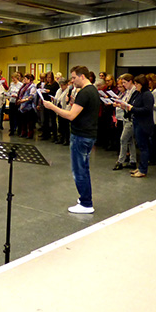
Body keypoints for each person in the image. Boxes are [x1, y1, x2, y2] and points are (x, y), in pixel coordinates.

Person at [42, 65, 100, 214]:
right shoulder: (92, 90)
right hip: (88, 134)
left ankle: (86, 203)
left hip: (81, 135)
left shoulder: (85, 93)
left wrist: (52, 107)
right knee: (84, 168)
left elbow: (70, 115)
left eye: (74, 77)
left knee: (79, 170)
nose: (72, 81)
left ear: (82, 76)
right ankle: (85, 198)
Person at [117, 74, 154, 178]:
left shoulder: (147, 94)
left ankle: (143, 169)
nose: (135, 85)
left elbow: (147, 109)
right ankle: (141, 167)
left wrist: (131, 109)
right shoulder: (138, 94)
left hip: (144, 124)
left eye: (137, 83)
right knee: (141, 146)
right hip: (137, 122)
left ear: (142, 84)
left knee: (144, 148)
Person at [113, 74, 137, 170]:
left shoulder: (134, 91)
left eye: (124, 83)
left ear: (130, 81)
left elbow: (130, 104)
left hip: (130, 118)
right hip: (125, 117)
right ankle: (133, 160)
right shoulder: (127, 92)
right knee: (130, 140)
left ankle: (120, 161)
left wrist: (121, 105)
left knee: (123, 139)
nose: (123, 85)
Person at [16, 73, 37, 139]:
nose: (24, 80)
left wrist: (24, 100)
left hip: (29, 107)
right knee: (23, 121)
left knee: (30, 122)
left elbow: (32, 96)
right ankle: (24, 132)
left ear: (29, 79)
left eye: (25, 79)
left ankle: (30, 134)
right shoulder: (24, 86)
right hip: (22, 107)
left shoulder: (32, 86)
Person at [7, 72, 23, 136]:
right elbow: (9, 92)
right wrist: (8, 95)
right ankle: (12, 130)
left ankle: (19, 131)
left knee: (18, 117)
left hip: (18, 102)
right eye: (12, 78)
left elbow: (21, 94)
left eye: (14, 78)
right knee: (11, 117)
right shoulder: (11, 84)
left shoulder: (21, 85)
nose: (13, 80)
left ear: (17, 78)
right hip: (12, 102)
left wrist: (17, 96)